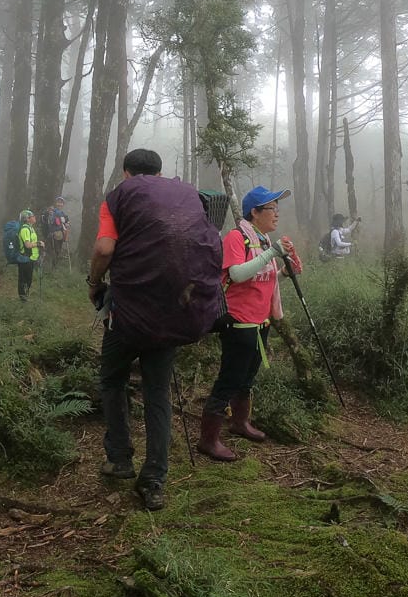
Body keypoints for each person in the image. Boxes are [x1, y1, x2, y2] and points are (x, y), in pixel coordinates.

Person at [89, 148, 222, 511]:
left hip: (127, 314)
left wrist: (93, 281)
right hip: (175, 310)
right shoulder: (188, 195)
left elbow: (104, 247)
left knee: (113, 379)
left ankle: (119, 458)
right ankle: (154, 481)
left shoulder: (119, 196)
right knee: (157, 393)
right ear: (161, 173)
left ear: (127, 173)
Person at [197, 185, 301, 462]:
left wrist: (284, 270)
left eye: (278, 209)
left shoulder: (264, 239)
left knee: (247, 379)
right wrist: (272, 254)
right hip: (239, 321)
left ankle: (240, 423)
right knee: (229, 380)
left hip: (260, 321)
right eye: (271, 209)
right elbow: (237, 274)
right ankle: (208, 440)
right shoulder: (236, 237)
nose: (277, 214)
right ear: (254, 212)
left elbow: (262, 276)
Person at [17, 209, 43, 301]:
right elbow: (28, 245)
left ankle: (25, 297)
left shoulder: (30, 228)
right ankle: (23, 300)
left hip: (30, 258)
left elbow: (32, 242)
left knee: (28, 279)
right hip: (25, 258)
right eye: (32, 216)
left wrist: (38, 243)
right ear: (27, 219)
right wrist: (38, 244)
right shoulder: (25, 229)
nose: (34, 217)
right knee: (24, 280)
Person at [45, 196, 71, 262]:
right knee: (55, 251)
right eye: (58, 202)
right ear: (56, 203)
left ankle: (54, 266)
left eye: (61, 203)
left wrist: (67, 223)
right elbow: (50, 222)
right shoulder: (53, 212)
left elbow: (66, 222)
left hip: (61, 235)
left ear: (63, 204)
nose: (60, 204)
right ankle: (52, 267)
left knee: (58, 251)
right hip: (54, 235)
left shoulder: (63, 214)